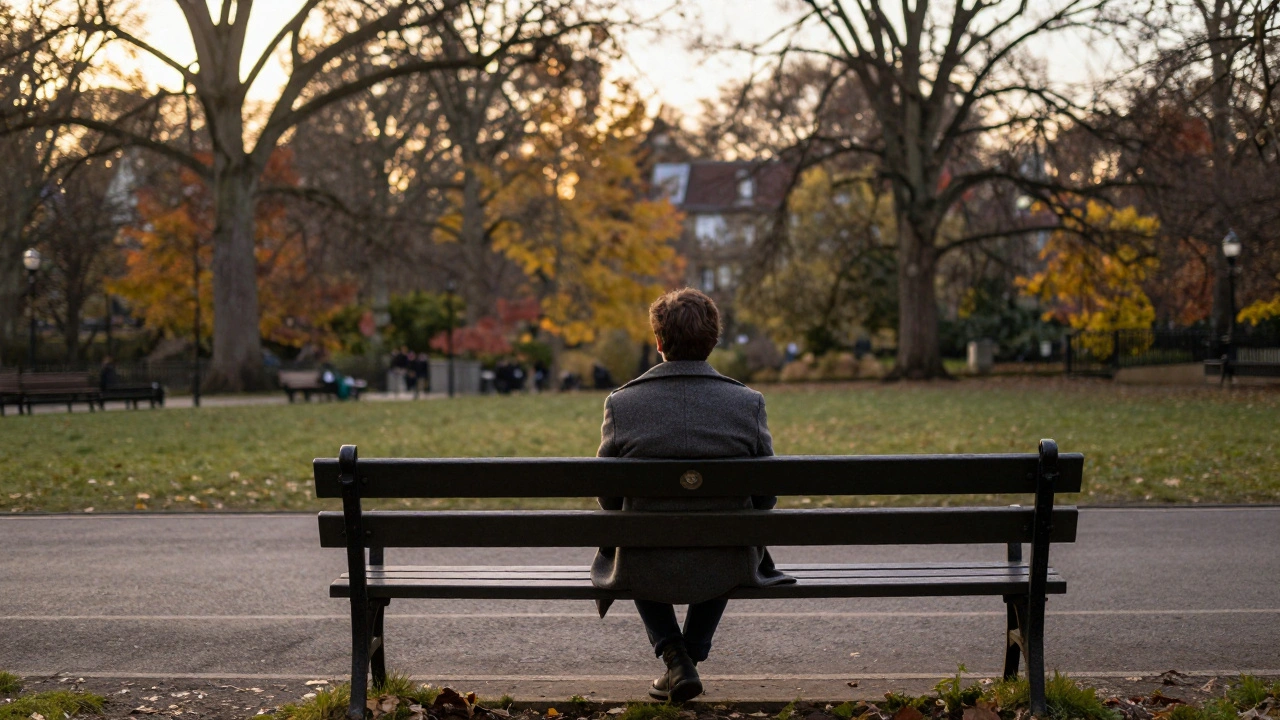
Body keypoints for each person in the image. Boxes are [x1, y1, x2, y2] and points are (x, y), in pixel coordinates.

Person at [592, 287, 793, 703]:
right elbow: (766, 498)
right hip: (725, 560)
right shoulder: (747, 403)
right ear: (713, 341)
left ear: (659, 342)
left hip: (645, 561)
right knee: (729, 530)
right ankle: (692, 652)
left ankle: (674, 653)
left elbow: (609, 499)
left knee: (629, 532)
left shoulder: (623, 404)